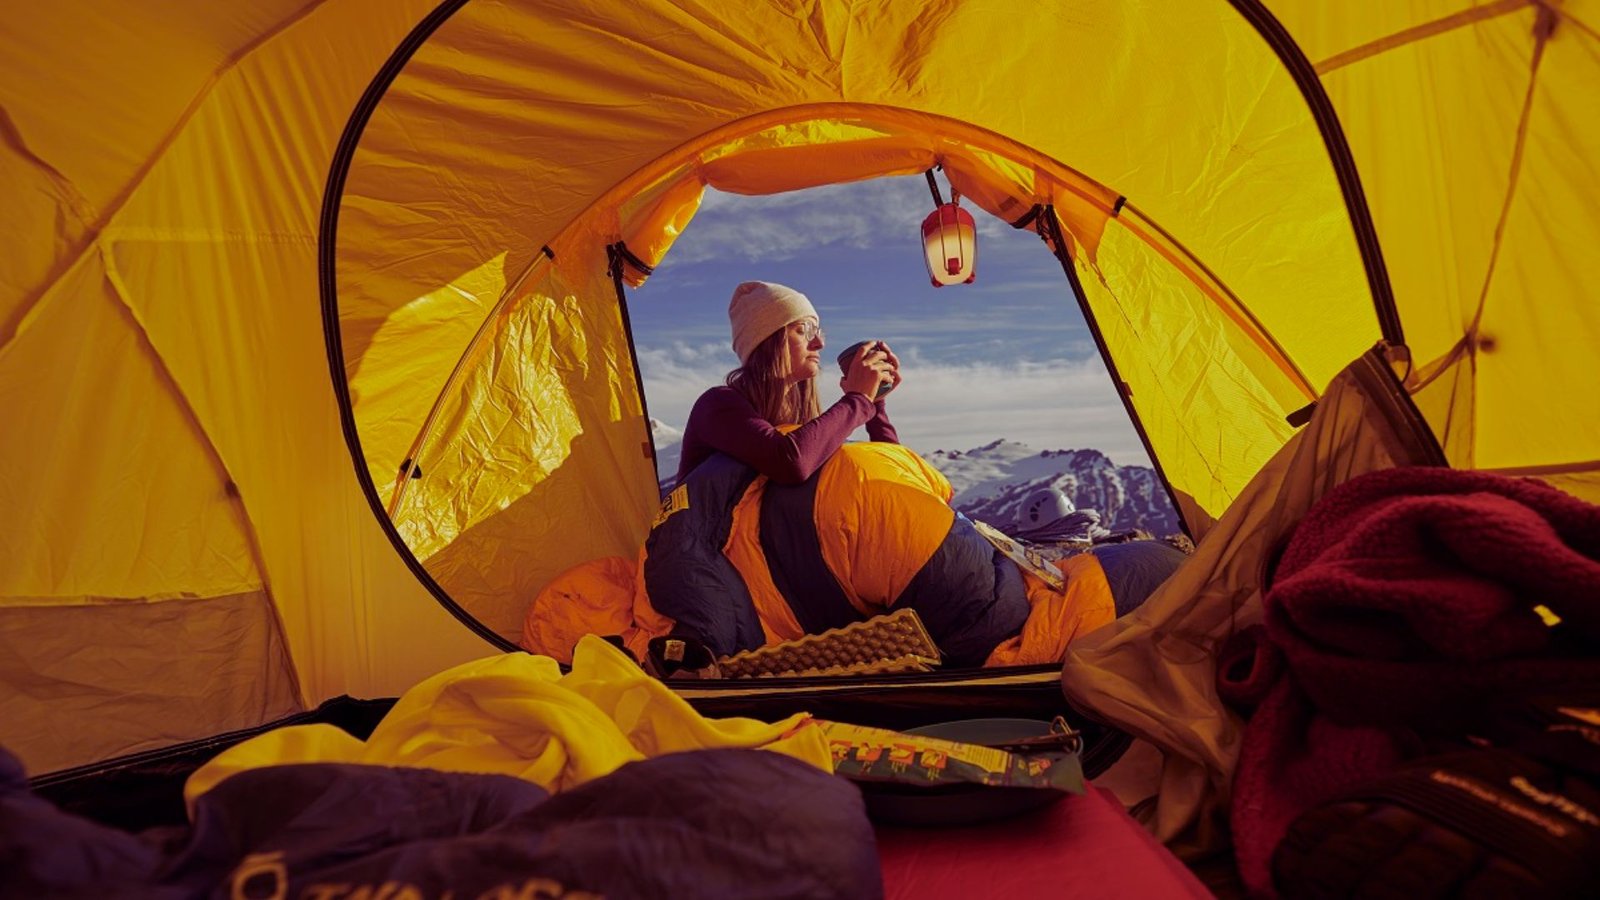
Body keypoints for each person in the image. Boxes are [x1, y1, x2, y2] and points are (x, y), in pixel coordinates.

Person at [674, 281, 901, 486]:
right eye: (804, 331)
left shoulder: (806, 427)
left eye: (819, 332)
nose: (819, 343)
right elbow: (790, 462)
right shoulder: (717, 406)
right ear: (769, 342)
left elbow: (895, 477)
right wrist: (858, 400)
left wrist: (875, 403)